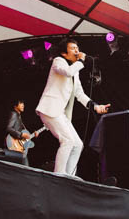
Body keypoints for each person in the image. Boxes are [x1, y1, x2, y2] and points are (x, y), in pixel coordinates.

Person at [35, 39, 110, 176]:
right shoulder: (58, 61)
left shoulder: (75, 71)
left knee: (77, 144)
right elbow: (67, 72)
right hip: (49, 109)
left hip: (60, 113)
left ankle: (69, 175)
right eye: (73, 48)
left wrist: (95, 106)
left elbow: (79, 93)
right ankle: (59, 175)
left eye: (77, 48)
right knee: (67, 141)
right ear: (64, 53)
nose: (77, 50)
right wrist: (81, 61)